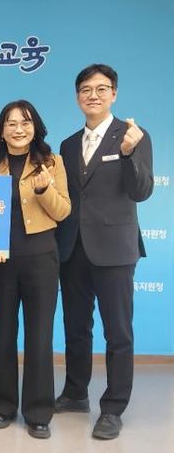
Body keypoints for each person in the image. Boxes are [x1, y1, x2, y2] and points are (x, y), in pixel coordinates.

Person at [54, 64, 154, 440]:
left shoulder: (133, 135)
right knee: (76, 327)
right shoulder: (67, 145)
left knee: (118, 332)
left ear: (114, 94)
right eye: (85, 89)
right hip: (72, 248)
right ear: (77, 97)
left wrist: (128, 153)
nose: (92, 95)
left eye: (101, 88)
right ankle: (75, 392)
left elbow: (142, 190)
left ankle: (113, 407)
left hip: (115, 250)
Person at [0, 100, 70, 439]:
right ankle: (2, 406)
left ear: (36, 127)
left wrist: (44, 189)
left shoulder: (52, 163)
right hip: (0, 263)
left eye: (25, 122)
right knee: (3, 335)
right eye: (11, 123)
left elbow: (62, 211)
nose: (19, 129)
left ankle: (38, 412)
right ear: (1, 131)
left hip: (41, 260)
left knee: (39, 337)